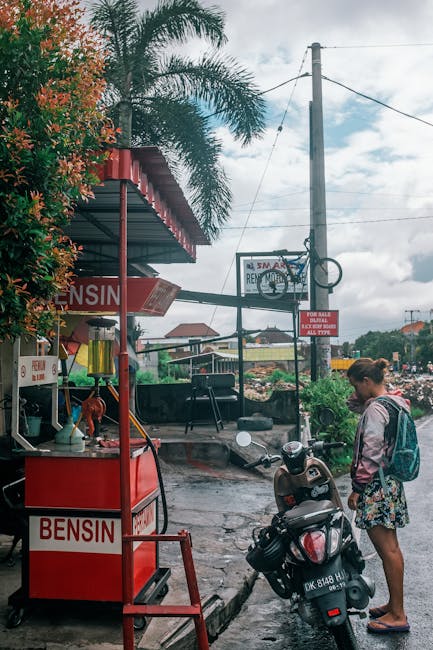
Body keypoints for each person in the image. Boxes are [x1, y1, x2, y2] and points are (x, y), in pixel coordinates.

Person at [346, 357, 411, 635]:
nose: (355, 393)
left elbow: (371, 453)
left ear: (367, 381)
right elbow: (356, 405)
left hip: (376, 486)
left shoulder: (375, 411)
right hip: (391, 483)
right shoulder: (395, 402)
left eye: (356, 386)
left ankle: (398, 614)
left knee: (388, 551)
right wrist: (360, 399)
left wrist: (358, 489)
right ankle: (394, 606)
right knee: (391, 549)